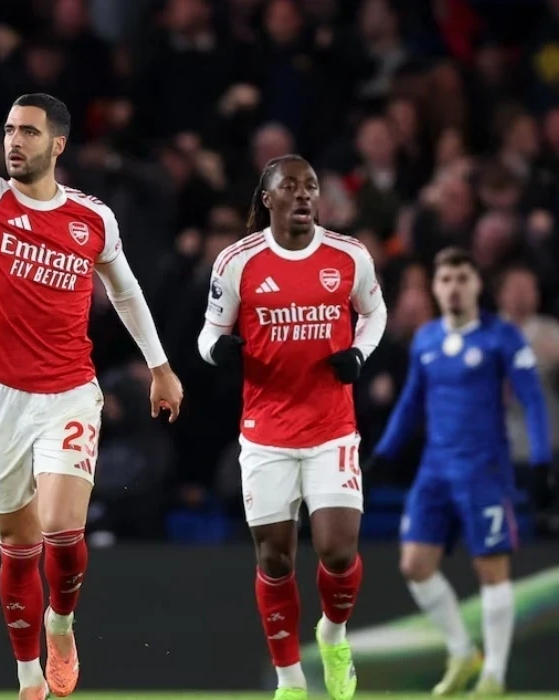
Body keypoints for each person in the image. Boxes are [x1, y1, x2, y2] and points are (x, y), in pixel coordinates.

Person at [0, 15, 183, 700]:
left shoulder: (92, 218)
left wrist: (160, 365)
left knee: (61, 528)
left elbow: (124, 290)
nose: (13, 141)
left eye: (27, 131)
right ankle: (29, 676)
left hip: (69, 391)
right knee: (16, 543)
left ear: (57, 143)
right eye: (8, 130)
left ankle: (61, 623)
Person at [198, 155, 387, 700]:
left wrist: (359, 352)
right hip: (266, 435)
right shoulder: (237, 261)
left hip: (332, 429)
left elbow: (374, 314)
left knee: (337, 552)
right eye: (291, 186)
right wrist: (219, 351)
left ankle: (333, 634)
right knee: (275, 558)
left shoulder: (350, 255)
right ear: (268, 199)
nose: (304, 194)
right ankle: (290, 680)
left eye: (311, 186)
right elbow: (208, 334)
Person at [368, 247, 554, 697]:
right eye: (446, 279)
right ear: (435, 288)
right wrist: (382, 455)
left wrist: (542, 461)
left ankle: (495, 676)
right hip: (434, 470)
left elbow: (532, 399)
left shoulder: (501, 337)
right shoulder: (427, 339)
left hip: (483, 469)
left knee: (491, 568)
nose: (454, 287)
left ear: (477, 285)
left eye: (462, 278)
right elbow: (410, 403)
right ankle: (463, 651)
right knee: (415, 566)